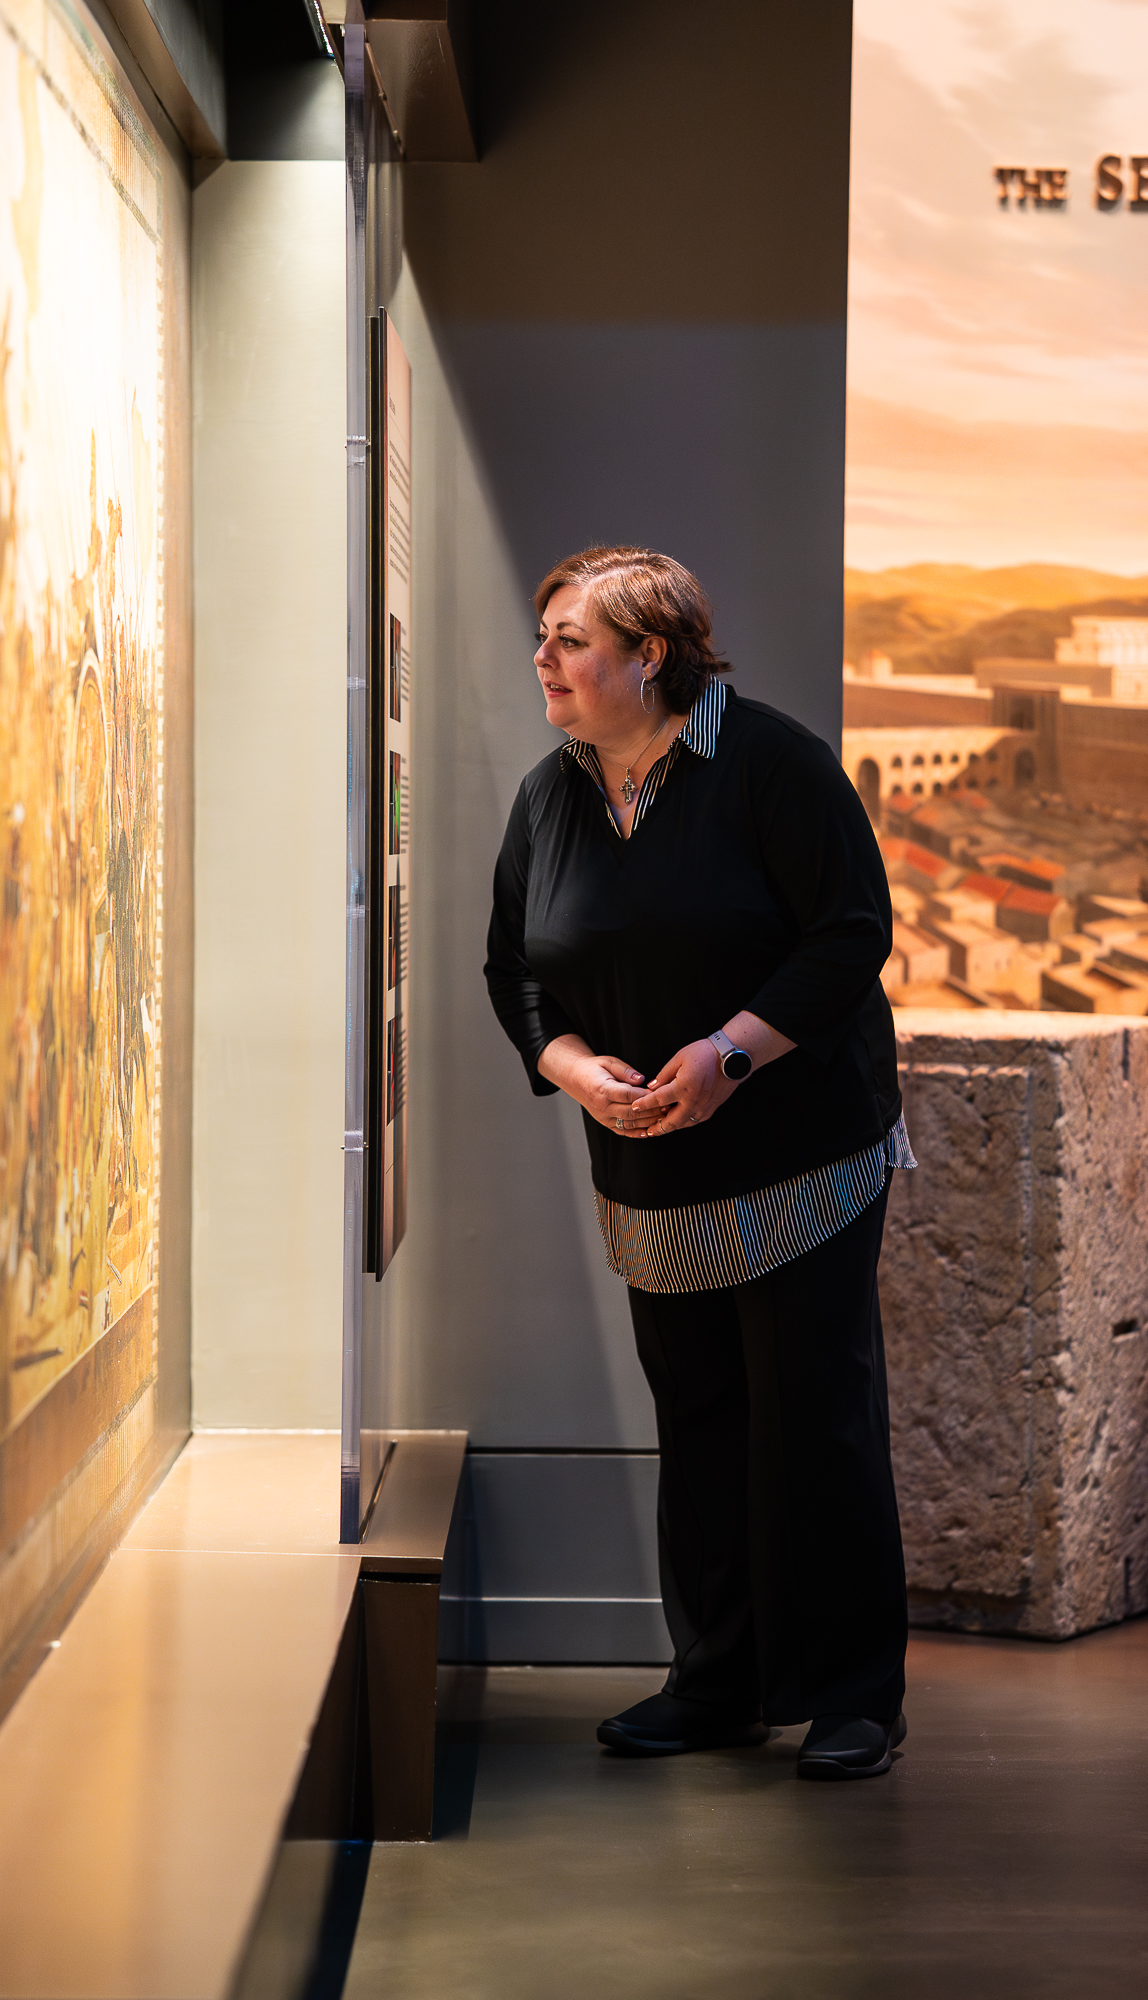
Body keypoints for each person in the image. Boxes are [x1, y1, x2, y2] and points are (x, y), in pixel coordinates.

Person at [484, 546, 914, 1781]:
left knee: (814, 1420)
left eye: (570, 639)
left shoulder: (770, 762)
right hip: (652, 1164)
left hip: (801, 1154)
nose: (543, 658)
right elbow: (512, 968)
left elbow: (850, 935)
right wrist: (574, 1068)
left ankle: (853, 1695)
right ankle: (718, 1682)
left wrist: (729, 1053)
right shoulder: (551, 793)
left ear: (650, 654)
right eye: (544, 636)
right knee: (702, 1420)